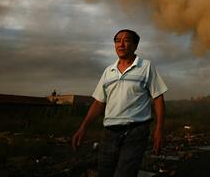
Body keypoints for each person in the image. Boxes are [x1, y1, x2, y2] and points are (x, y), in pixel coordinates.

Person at [72, 29, 168, 177]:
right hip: (109, 133)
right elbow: (98, 102)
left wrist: (159, 129)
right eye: (117, 41)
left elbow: (158, 98)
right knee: (105, 172)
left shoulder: (146, 67)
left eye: (126, 40)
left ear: (135, 45)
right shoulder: (108, 71)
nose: (121, 44)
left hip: (136, 131)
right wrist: (83, 128)